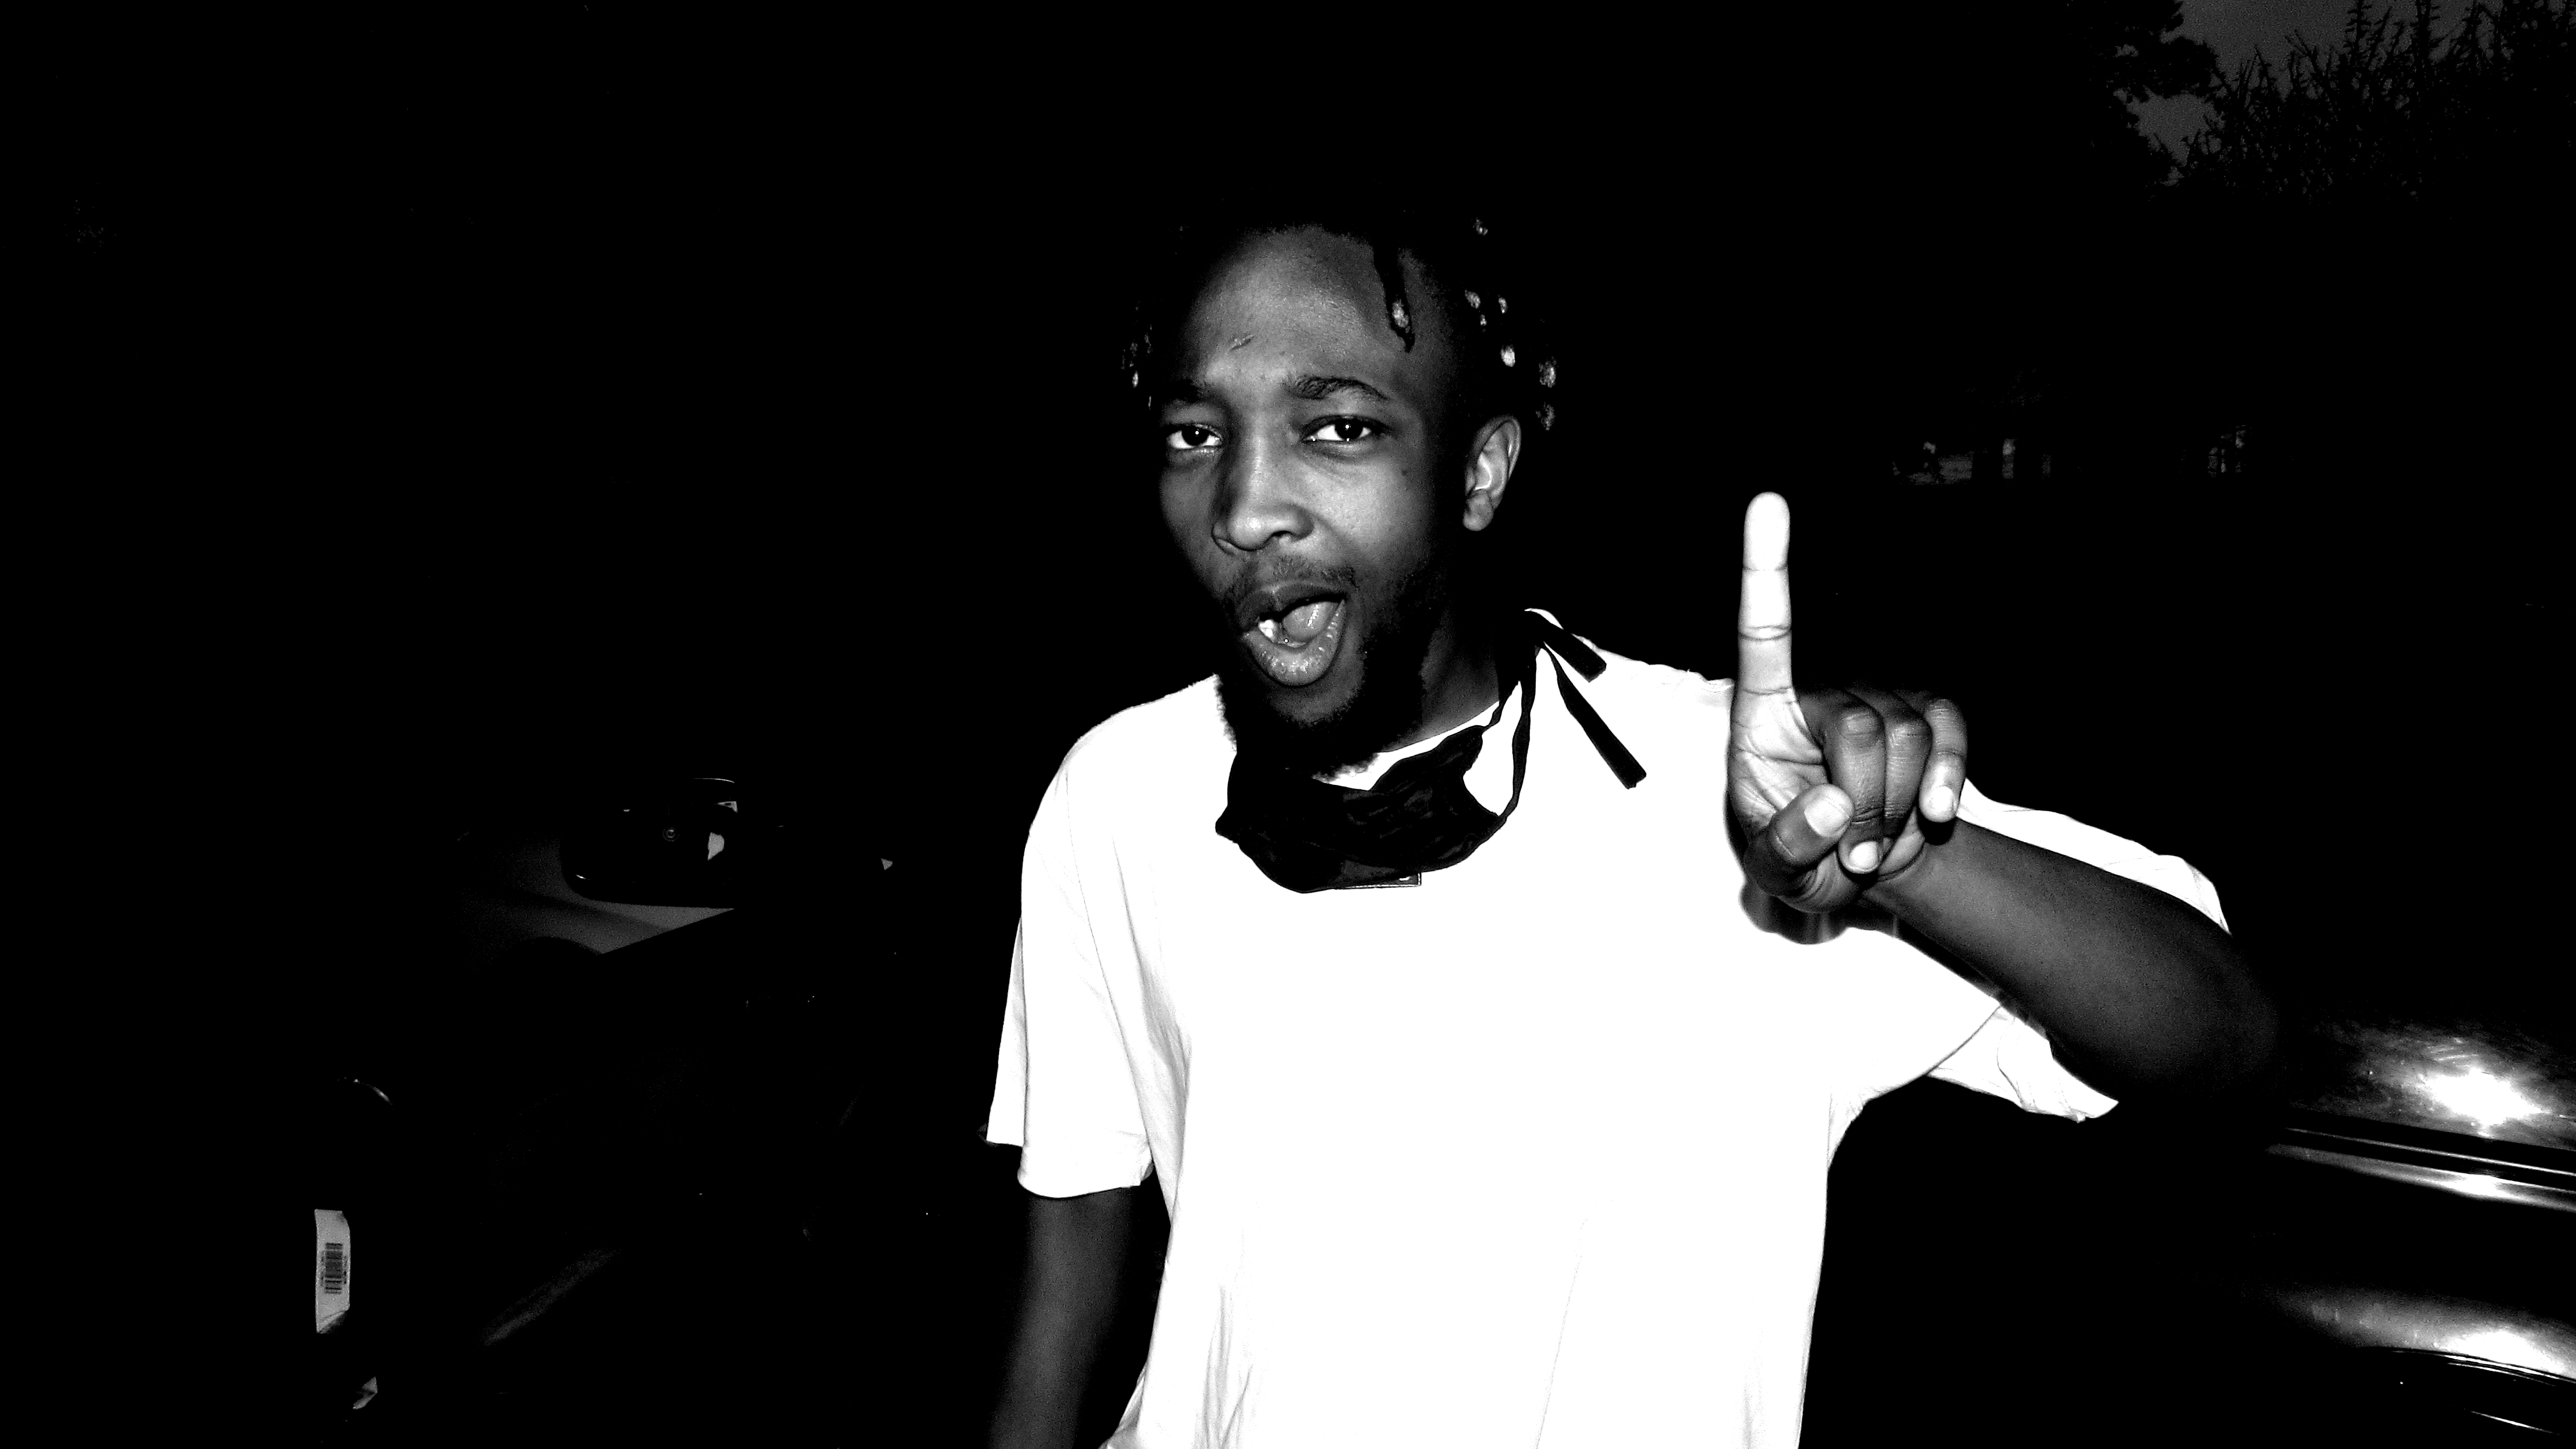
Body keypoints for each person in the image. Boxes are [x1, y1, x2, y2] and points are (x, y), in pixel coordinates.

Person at [983, 207, 2276, 1448]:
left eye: (1338, 426)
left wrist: (1909, 862)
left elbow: (2222, 1038)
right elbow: (1069, 1268)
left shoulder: (1734, 800)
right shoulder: (1119, 792)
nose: (1244, 505)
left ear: (1477, 472)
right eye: (1195, 434)